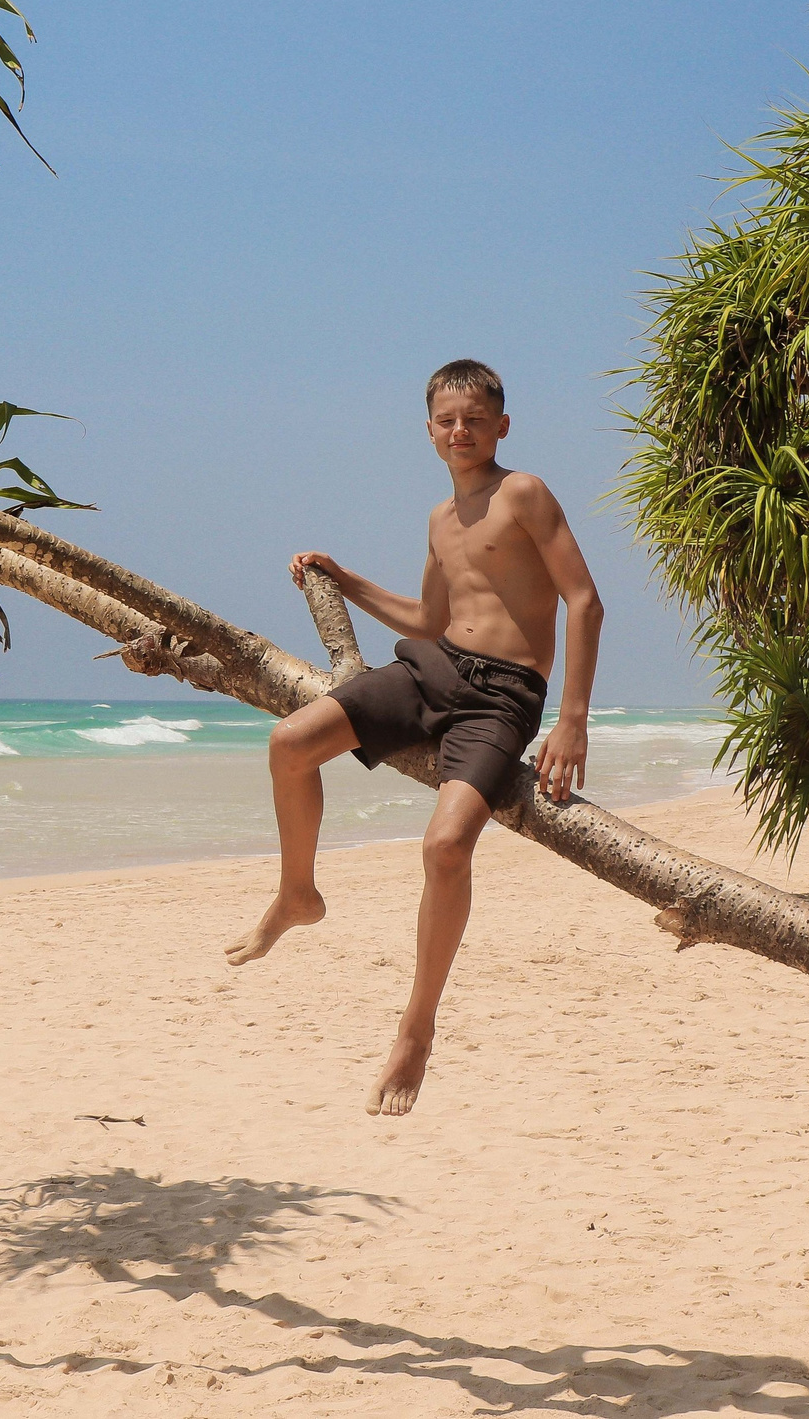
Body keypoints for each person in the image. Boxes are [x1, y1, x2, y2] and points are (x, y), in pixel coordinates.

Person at [226, 359, 604, 1116]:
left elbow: (584, 601)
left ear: (502, 424)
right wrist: (344, 576)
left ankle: (416, 1028)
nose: (459, 430)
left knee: (445, 846)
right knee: (290, 742)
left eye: (474, 418)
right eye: (445, 420)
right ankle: (297, 892)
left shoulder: (522, 492)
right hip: (433, 668)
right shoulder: (440, 518)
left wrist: (571, 719)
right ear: (428, 430)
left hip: (504, 696)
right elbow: (429, 621)